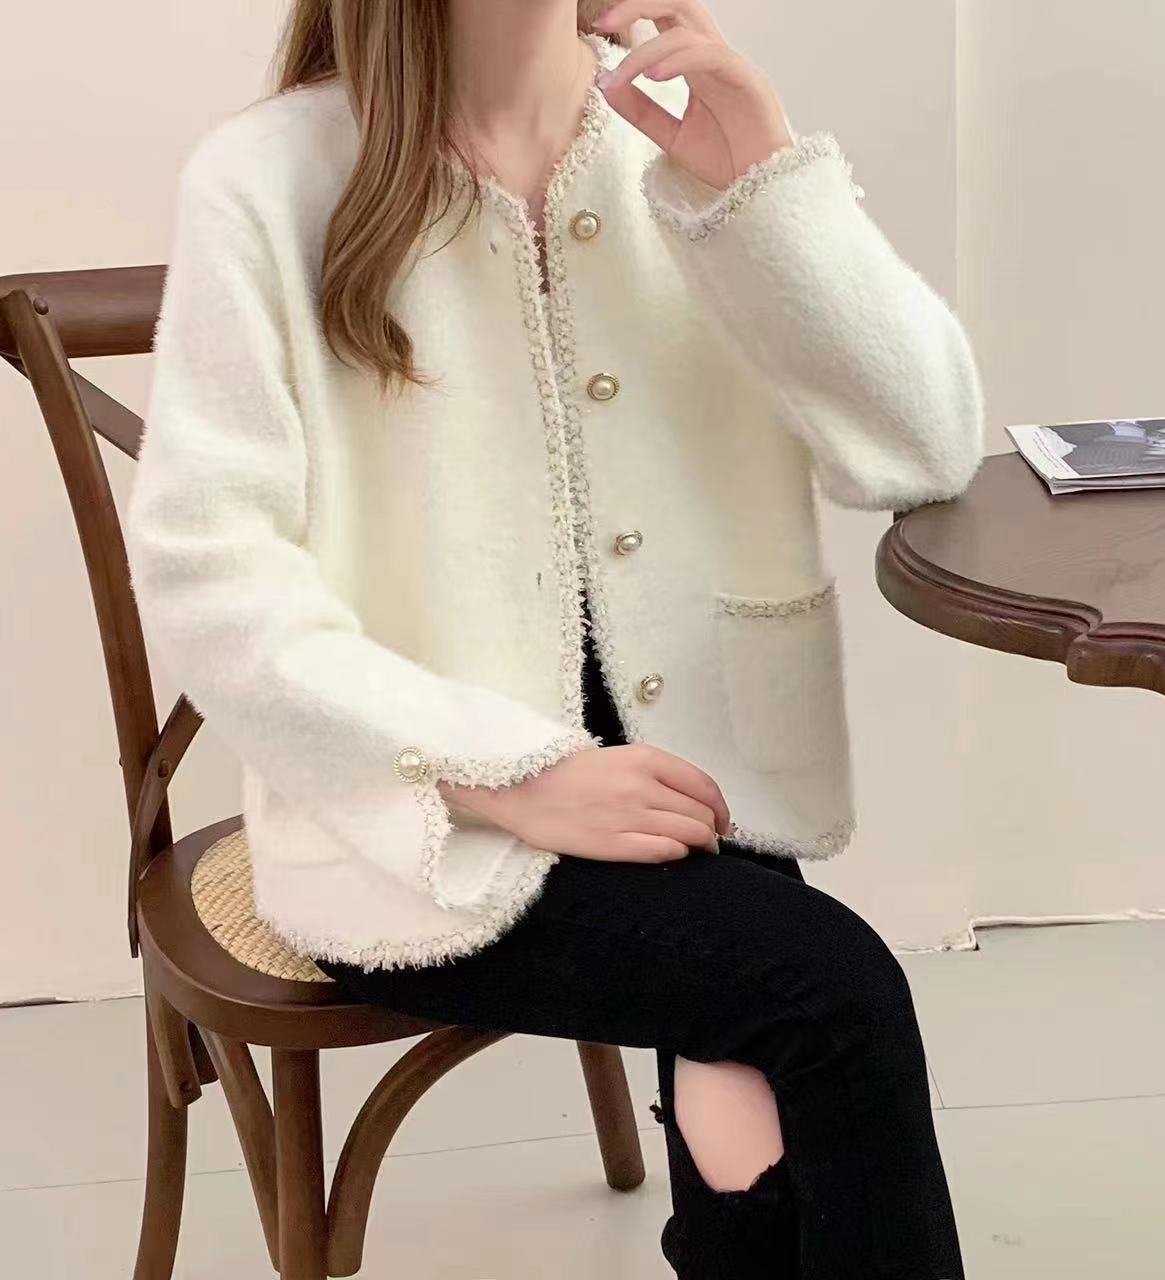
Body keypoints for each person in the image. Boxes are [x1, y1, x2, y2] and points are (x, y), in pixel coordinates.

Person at [125, 1, 986, 1275]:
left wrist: (763, 189)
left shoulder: (673, 142)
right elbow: (210, 579)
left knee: (764, 1053)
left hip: (705, 774)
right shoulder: (267, 180)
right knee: (823, 995)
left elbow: (925, 445)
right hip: (420, 815)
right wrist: (509, 774)